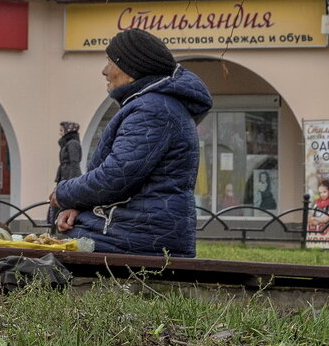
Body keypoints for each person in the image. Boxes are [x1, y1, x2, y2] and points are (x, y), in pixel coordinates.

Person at [51, 28, 212, 256]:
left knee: (29, 260)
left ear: (130, 68)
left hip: (138, 238)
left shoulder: (152, 109)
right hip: (137, 232)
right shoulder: (153, 105)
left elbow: (117, 176)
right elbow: (129, 182)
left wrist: (63, 193)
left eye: (109, 62)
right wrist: (80, 207)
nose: (104, 71)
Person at [45, 121, 82, 231]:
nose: (60, 133)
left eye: (61, 130)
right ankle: (54, 228)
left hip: (68, 177)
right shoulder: (67, 144)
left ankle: (57, 230)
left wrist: (70, 184)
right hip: (64, 177)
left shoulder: (73, 144)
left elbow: (74, 163)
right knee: (56, 205)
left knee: (61, 204)